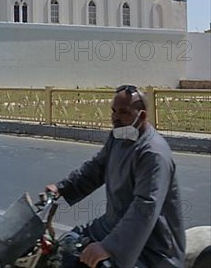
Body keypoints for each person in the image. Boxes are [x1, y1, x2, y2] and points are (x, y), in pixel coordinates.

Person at [46, 85, 186, 268]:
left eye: (123, 112)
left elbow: (145, 207)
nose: (115, 117)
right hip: (112, 225)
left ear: (142, 116)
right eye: (113, 111)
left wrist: (109, 247)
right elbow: (97, 168)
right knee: (65, 249)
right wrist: (61, 188)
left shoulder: (153, 153)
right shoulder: (118, 137)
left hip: (151, 247)